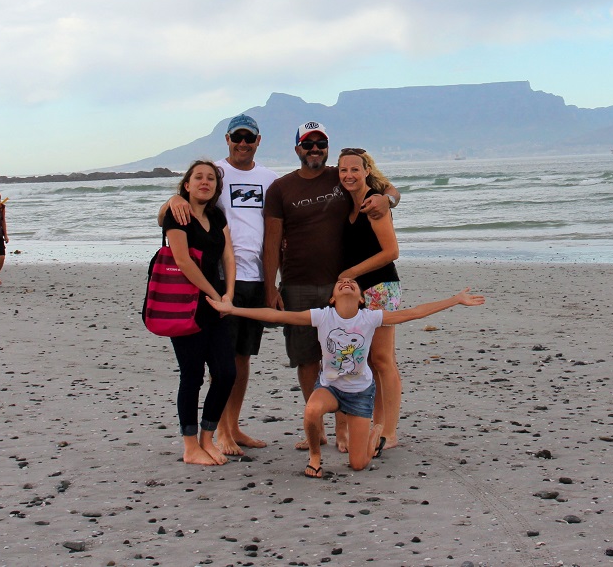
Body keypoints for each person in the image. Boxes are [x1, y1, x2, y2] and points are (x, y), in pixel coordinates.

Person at [208, 279, 484, 477]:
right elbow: (278, 315)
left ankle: (376, 431)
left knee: (358, 464)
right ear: (332, 298)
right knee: (312, 409)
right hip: (330, 388)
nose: (347, 283)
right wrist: (234, 310)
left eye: (353, 283)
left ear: (362, 298)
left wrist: (455, 300)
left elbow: (412, 313)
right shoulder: (322, 316)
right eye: (340, 283)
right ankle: (315, 457)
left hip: (360, 394)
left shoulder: (370, 318)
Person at [262, 121, 400, 452]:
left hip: (345, 288)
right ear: (297, 149)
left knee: (349, 359)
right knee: (307, 359)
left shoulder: (344, 179)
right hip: (297, 284)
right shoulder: (282, 188)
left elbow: (386, 188)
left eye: (320, 143)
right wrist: (271, 287)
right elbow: (272, 241)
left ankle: (348, 430)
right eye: (307, 144)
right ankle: (318, 425)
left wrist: (388, 200)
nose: (314, 149)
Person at [158, 114, 278, 455]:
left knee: (241, 358)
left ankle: (234, 426)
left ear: (258, 140)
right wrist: (174, 199)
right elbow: (177, 208)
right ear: (227, 139)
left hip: (253, 280)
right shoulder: (215, 173)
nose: (243, 143)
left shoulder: (269, 178)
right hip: (222, 282)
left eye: (249, 138)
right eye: (237, 137)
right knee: (219, 361)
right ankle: (220, 433)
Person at [161, 160, 238, 466]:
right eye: (198, 177)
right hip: (185, 304)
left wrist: (228, 293)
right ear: (187, 184)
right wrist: (214, 293)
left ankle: (208, 438)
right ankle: (190, 446)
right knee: (192, 375)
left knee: (225, 373)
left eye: (211, 178)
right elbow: (182, 260)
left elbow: (229, 255)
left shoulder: (217, 215)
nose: (205, 182)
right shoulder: (176, 214)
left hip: (216, 303)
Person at [336, 148, 403, 449]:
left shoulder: (374, 203)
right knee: (369, 362)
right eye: (343, 170)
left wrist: (350, 272)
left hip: (381, 288)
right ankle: (376, 425)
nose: (348, 175)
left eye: (354, 169)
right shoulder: (348, 204)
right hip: (360, 292)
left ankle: (389, 431)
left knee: (383, 359)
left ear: (366, 171)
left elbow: (391, 252)